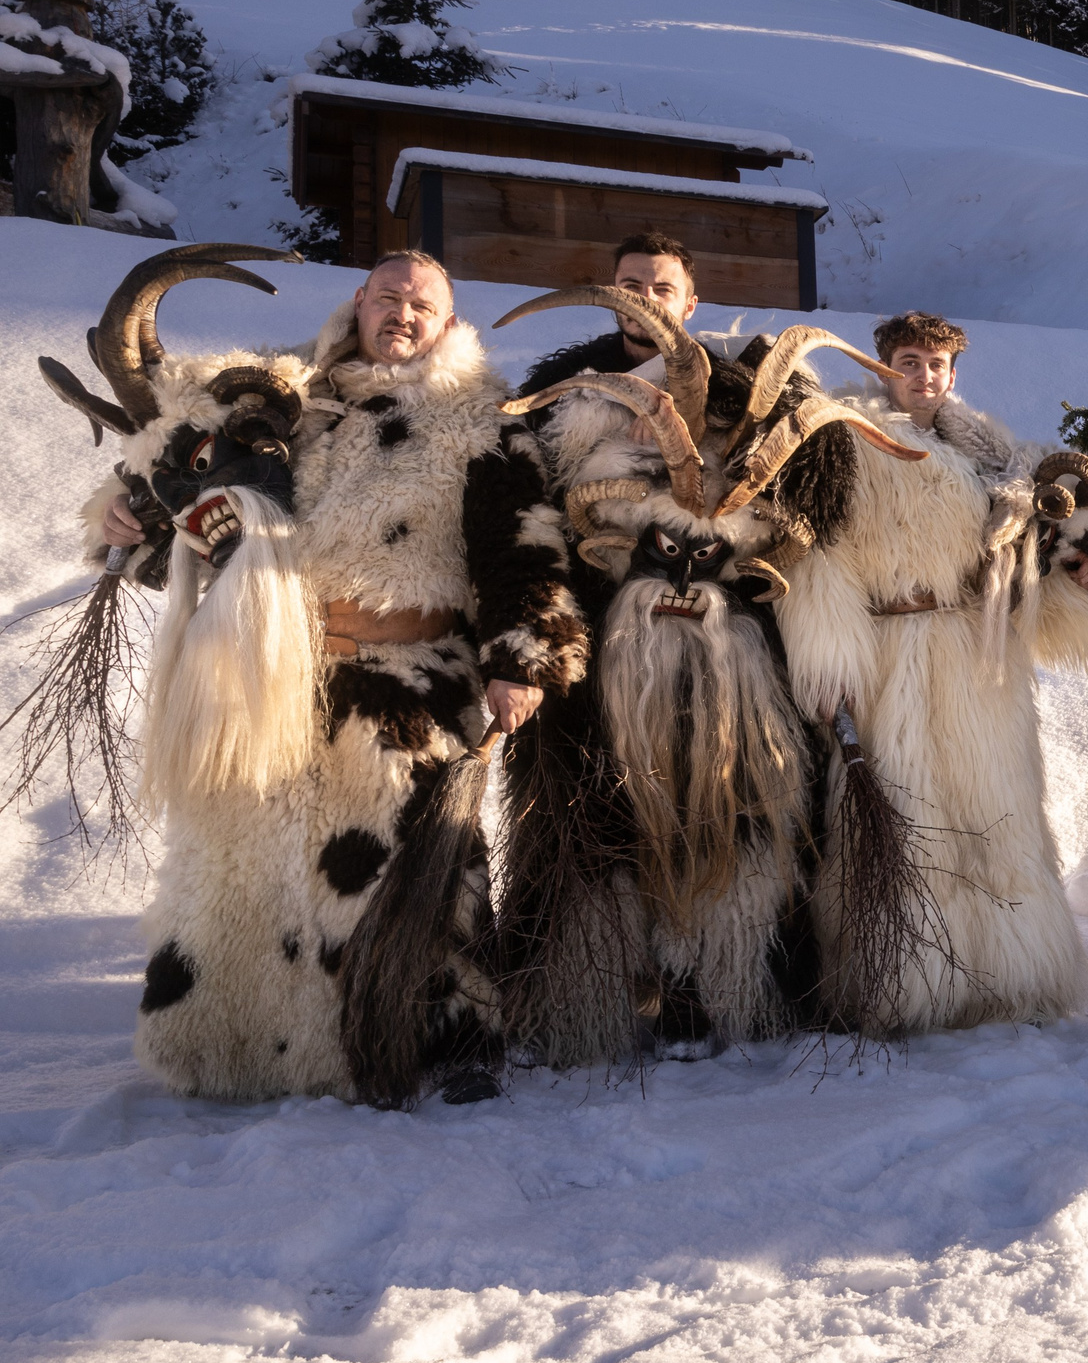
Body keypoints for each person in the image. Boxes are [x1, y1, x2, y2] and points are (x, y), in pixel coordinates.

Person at [91, 247, 586, 1105]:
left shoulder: (479, 423)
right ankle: (239, 1046)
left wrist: (519, 658)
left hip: (410, 684)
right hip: (269, 676)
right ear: (358, 302)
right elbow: (196, 494)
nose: (402, 313)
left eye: (421, 304)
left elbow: (523, 552)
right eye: (388, 296)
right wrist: (127, 515)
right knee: (250, 867)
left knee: (412, 870)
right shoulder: (285, 406)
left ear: (448, 320)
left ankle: (434, 1037)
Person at [774, 310, 1088, 1031]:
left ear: (954, 375)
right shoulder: (842, 441)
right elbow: (821, 561)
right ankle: (906, 983)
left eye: (936, 364)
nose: (922, 375)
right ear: (882, 367)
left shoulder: (1000, 461)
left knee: (997, 814)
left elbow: (1029, 556)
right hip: (893, 658)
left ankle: (1010, 977)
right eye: (908, 360)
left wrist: (1073, 572)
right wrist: (831, 662)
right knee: (907, 818)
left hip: (978, 659)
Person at [514, 230, 705, 397]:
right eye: (631, 287)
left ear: (690, 306)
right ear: (613, 298)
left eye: (663, 289)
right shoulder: (565, 379)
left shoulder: (717, 387)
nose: (646, 301)